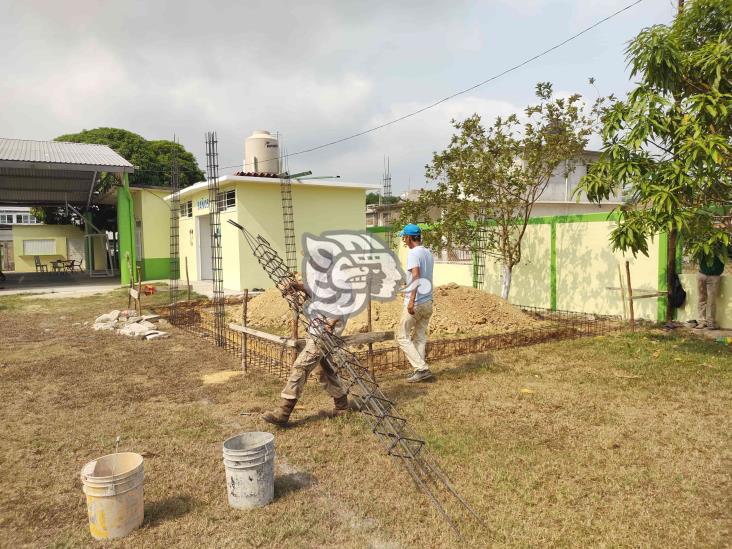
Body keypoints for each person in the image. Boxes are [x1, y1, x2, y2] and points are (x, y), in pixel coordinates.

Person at [261, 280, 349, 426]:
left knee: (301, 366)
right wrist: (298, 286)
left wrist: (332, 321)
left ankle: (283, 412)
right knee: (324, 371)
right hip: (317, 331)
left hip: (325, 333)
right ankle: (342, 406)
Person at [396, 223, 435, 383]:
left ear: (410, 237)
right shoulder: (428, 252)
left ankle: (421, 368)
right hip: (428, 301)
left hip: (417, 302)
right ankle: (420, 370)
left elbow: (417, 276)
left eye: (404, 237)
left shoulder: (413, 253)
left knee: (401, 336)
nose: (404, 240)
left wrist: (411, 301)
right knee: (419, 337)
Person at [695, 248, 726, 330]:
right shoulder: (703, 243)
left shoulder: (723, 246)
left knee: (711, 301)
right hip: (701, 274)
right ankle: (702, 322)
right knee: (701, 299)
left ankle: (710, 323)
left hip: (714, 276)